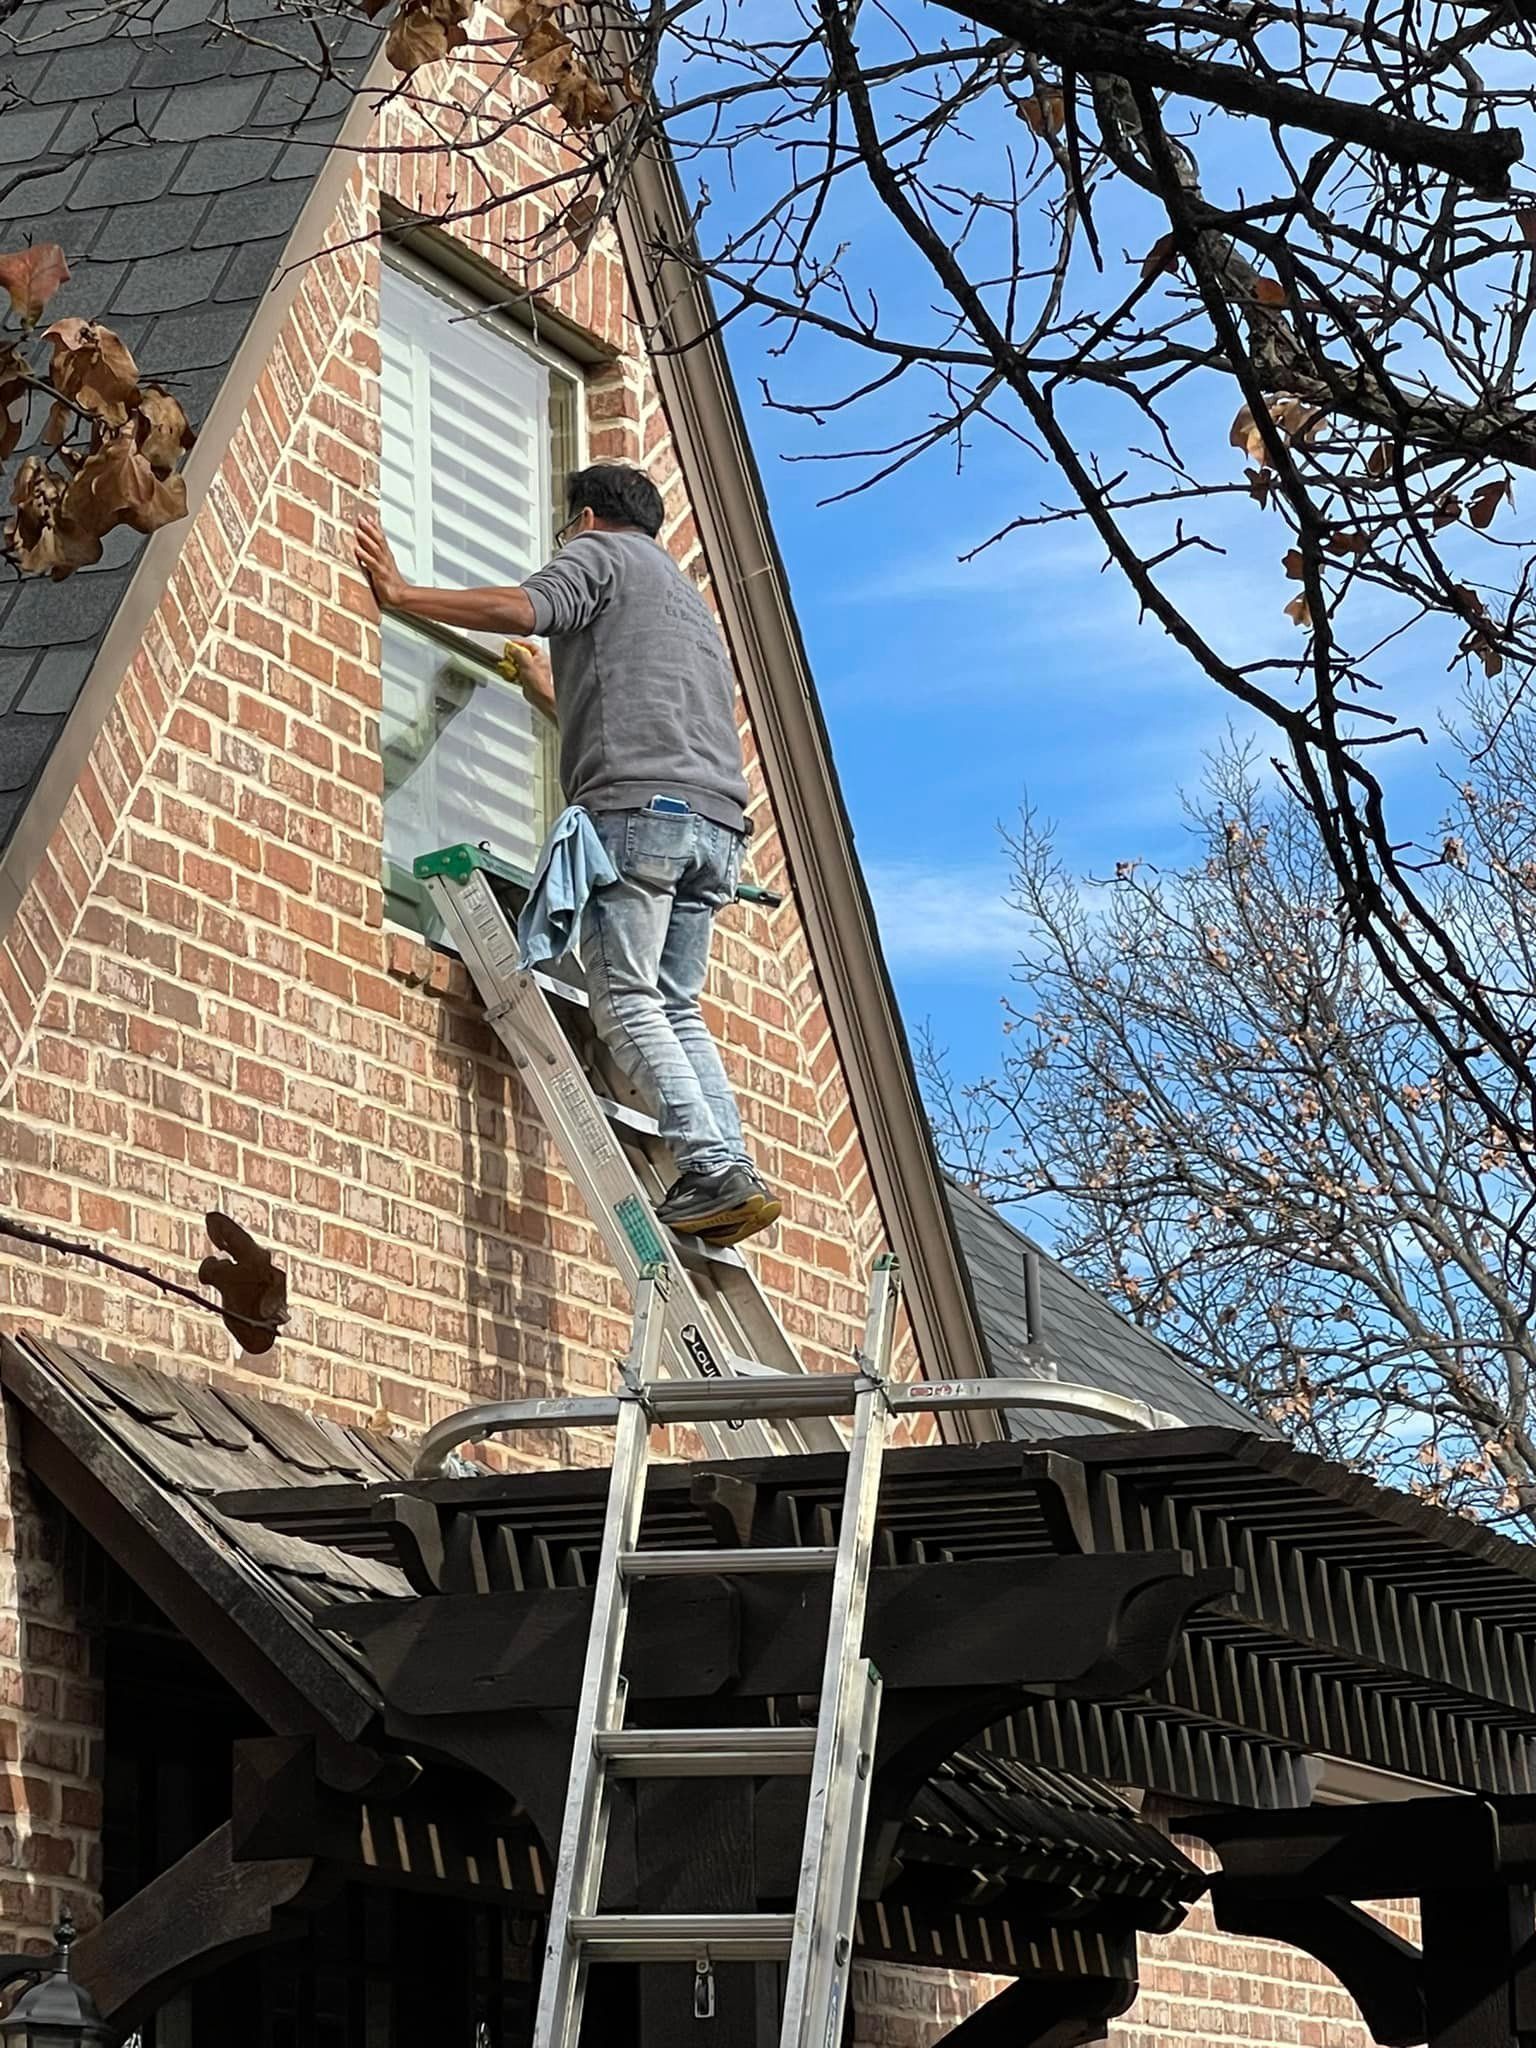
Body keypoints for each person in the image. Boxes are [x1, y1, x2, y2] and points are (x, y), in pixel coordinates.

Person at [355, 462, 780, 1243]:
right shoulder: (685, 604)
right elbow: (643, 713)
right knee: (674, 1003)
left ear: (586, 519)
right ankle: (731, 1169)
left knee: (624, 999)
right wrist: (549, 689)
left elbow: (522, 607)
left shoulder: (599, 555)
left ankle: (712, 1162)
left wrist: (404, 596)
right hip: (716, 828)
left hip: (641, 817)